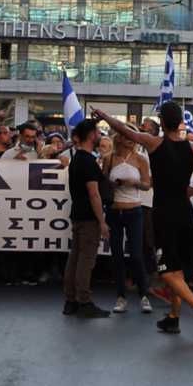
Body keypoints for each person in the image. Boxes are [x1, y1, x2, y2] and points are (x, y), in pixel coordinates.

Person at [106, 104, 193, 339]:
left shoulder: (154, 143)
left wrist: (104, 116)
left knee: (167, 272)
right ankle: (173, 317)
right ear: (179, 122)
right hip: (186, 213)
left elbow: (125, 131)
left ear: (162, 122)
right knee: (178, 270)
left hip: (165, 214)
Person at [63, 118, 112, 319]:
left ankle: (71, 300)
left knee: (75, 258)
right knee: (86, 260)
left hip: (78, 214)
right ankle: (84, 300)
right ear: (91, 135)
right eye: (97, 131)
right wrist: (101, 221)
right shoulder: (88, 161)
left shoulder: (77, 159)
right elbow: (94, 193)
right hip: (89, 218)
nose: (99, 134)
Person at [106, 125, 155, 314]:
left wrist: (134, 183)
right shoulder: (108, 158)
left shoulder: (141, 159)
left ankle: (143, 295)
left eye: (132, 136)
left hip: (134, 210)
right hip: (114, 211)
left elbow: (147, 185)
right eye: (126, 135)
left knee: (136, 254)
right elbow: (103, 182)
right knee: (116, 255)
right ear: (118, 137)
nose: (130, 139)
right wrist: (112, 184)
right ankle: (121, 296)